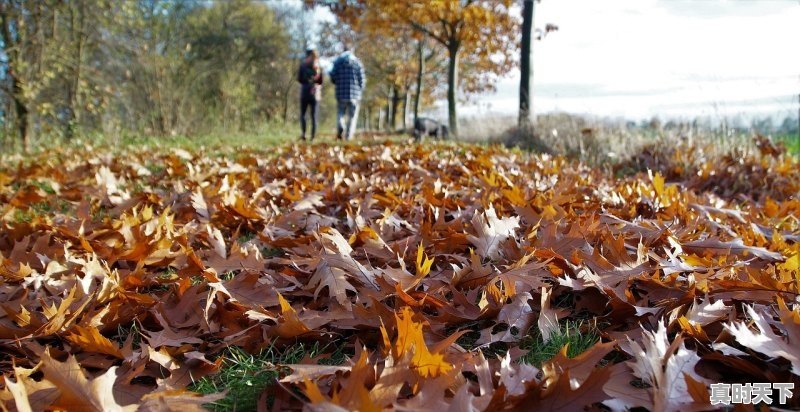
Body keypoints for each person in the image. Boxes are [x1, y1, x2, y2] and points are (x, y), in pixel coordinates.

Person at [329, 45, 365, 140]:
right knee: (352, 117)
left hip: (341, 93)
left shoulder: (338, 62)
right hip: (355, 94)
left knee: (340, 113)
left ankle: (341, 125)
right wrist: (360, 90)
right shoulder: (357, 62)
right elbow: (362, 79)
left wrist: (337, 82)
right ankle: (348, 136)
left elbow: (332, 76)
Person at [297, 49, 323, 141]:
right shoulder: (318, 66)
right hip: (315, 93)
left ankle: (303, 134)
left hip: (305, 92)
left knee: (303, 114)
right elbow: (320, 81)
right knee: (314, 115)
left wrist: (306, 81)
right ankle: (313, 137)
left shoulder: (303, 65)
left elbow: (299, 79)